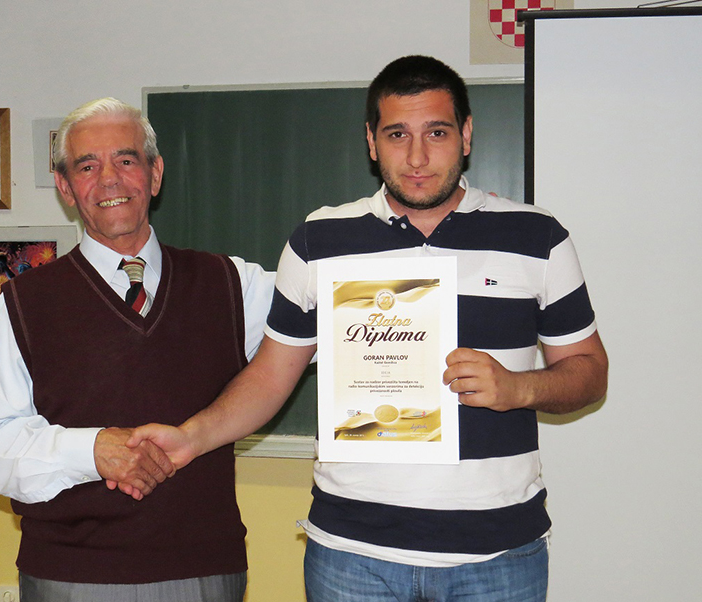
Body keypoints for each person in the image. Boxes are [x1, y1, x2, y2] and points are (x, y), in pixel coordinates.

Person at [127, 56, 609, 601]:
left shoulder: (537, 237)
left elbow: (590, 372)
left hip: (497, 554)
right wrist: (191, 437)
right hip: (352, 555)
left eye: (437, 132)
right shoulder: (319, 240)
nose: (418, 156)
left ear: (467, 135)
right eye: (397, 134)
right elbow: (270, 376)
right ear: (371, 142)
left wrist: (519, 388)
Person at [0, 97, 275, 602]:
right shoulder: (24, 300)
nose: (109, 180)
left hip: (202, 571)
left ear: (155, 174)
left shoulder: (232, 284)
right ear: (65, 187)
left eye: (126, 160)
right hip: (70, 576)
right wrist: (92, 450)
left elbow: (338, 314)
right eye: (87, 166)